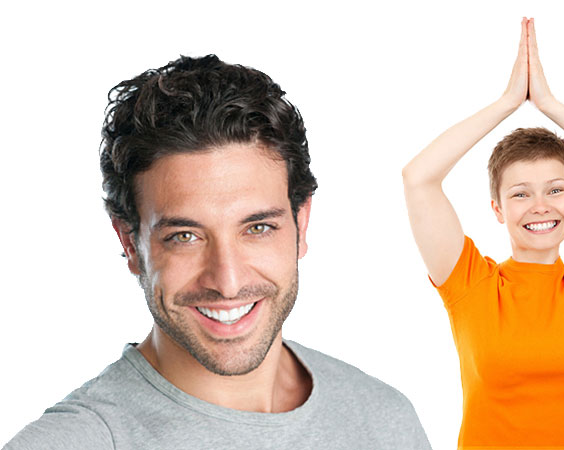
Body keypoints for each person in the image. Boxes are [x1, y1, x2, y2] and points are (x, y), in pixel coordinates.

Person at [4, 55, 430, 450]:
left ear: (301, 224)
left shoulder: (384, 421)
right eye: (185, 236)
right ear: (129, 242)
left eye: (258, 228)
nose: (227, 282)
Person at [403, 18, 564, 448]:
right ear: (498, 209)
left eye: (555, 190)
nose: (541, 206)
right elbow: (418, 178)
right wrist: (507, 102)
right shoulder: (470, 283)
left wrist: (550, 104)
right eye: (521, 194)